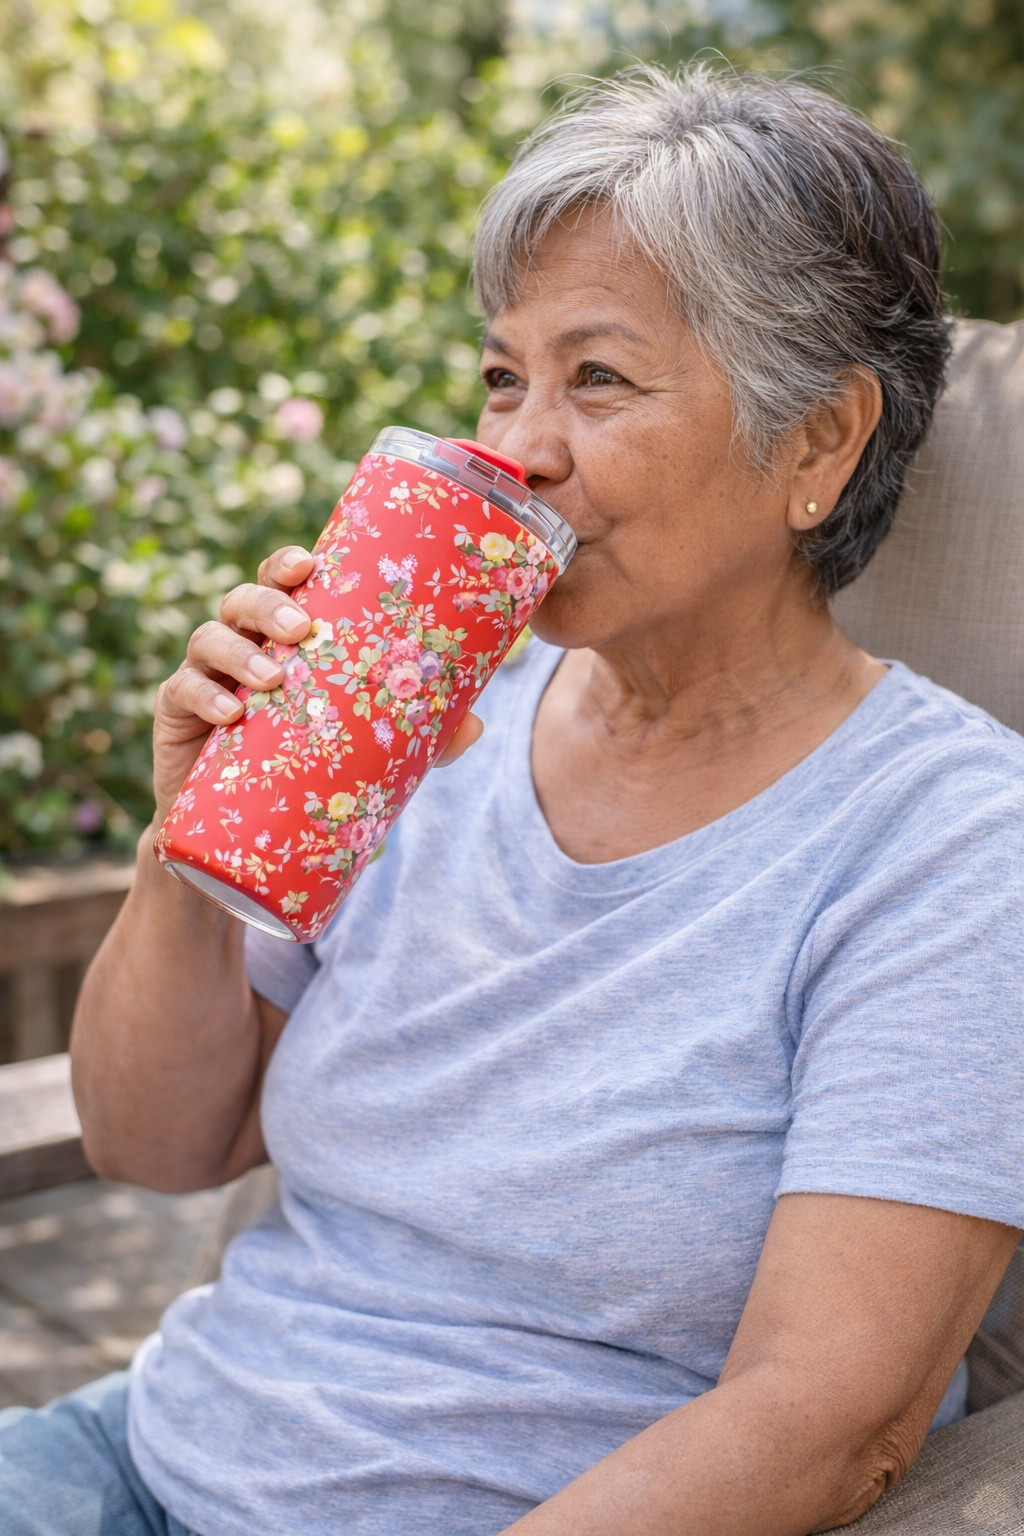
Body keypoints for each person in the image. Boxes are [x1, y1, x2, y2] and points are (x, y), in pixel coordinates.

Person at [3, 62, 1023, 1536]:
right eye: (502, 377)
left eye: (595, 378)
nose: (516, 450)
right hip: (148, 1459)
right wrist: (194, 838)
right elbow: (152, 1147)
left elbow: (828, 1422)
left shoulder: (952, 842)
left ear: (819, 439)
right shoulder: (420, 713)